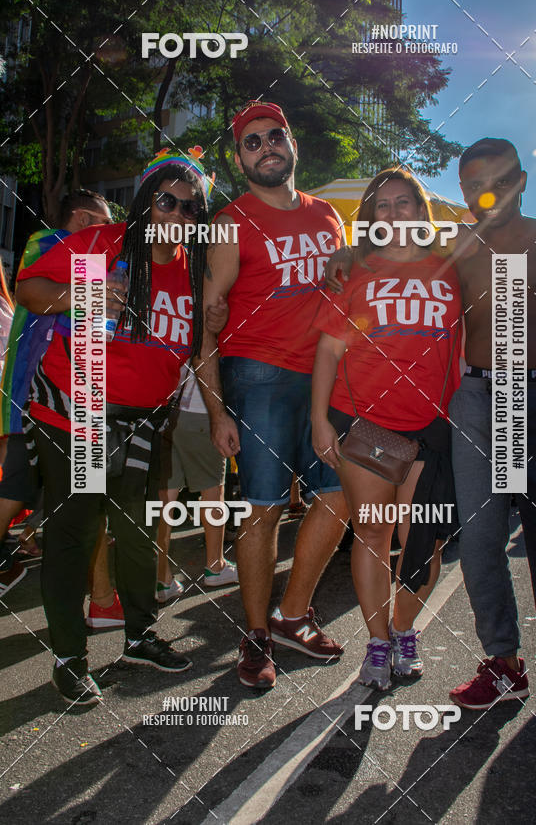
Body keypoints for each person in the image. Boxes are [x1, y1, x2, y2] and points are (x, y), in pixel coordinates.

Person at [326, 138, 536, 766]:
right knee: (477, 543)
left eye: (497, 181)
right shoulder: (458, 245)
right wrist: (349, 252)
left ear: (522, 180)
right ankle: (503, 662)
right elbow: (395, 249)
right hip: (476, 400)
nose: (485, 194)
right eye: (472, 184)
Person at [15, 149, 212, 704]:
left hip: (144, 421)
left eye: (190, 207)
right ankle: (70, 658)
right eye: (166, 201)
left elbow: (200, 349)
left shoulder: (193, 270)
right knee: (76, 533)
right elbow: (29, 290)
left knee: (136, 531)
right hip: (80, 411)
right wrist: (82, 294)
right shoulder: (105, 245)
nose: (177, 214)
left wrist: (219, 415)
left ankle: (140, 636)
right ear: (146, 201)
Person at [198, 101, 348, 690]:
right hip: (258, 374)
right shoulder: (230, 222)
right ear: (240, 159)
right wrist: (216, 411)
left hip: (324, 376)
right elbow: (205, 325)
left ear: (292, 145)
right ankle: (256, 633)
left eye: (275, 136)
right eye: (253, 142)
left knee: (339, 495)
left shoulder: (328, 214)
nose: (266, 148)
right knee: (264, 506)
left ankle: (293, 614)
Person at [312, 168, 461, 688]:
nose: (394, 213)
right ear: (371, 216)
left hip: (430, 428)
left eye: (404, 203)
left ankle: (404, 630)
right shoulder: (354, 271)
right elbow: (329, 349)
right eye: (383, 205)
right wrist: (318, 420)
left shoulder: (451, 270)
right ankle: (377, 643)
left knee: (422, 539)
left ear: (421, 210)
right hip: (365, 423)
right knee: (373, 532)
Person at [0, 190, 112, 597]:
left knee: (70, 491)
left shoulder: (68, 252)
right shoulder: (54, 245)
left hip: (71, 393)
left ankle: (99, 596)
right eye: (104, 223)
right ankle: (98, 597)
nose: (110, 232)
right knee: (20, 484)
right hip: (41, 392)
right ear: (81, 219)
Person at [156, 371, 237, 601]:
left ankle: (162, 579)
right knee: (213, 491)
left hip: (165, 409)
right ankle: (215, 566)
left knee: (164, 498)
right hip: (201, 411)